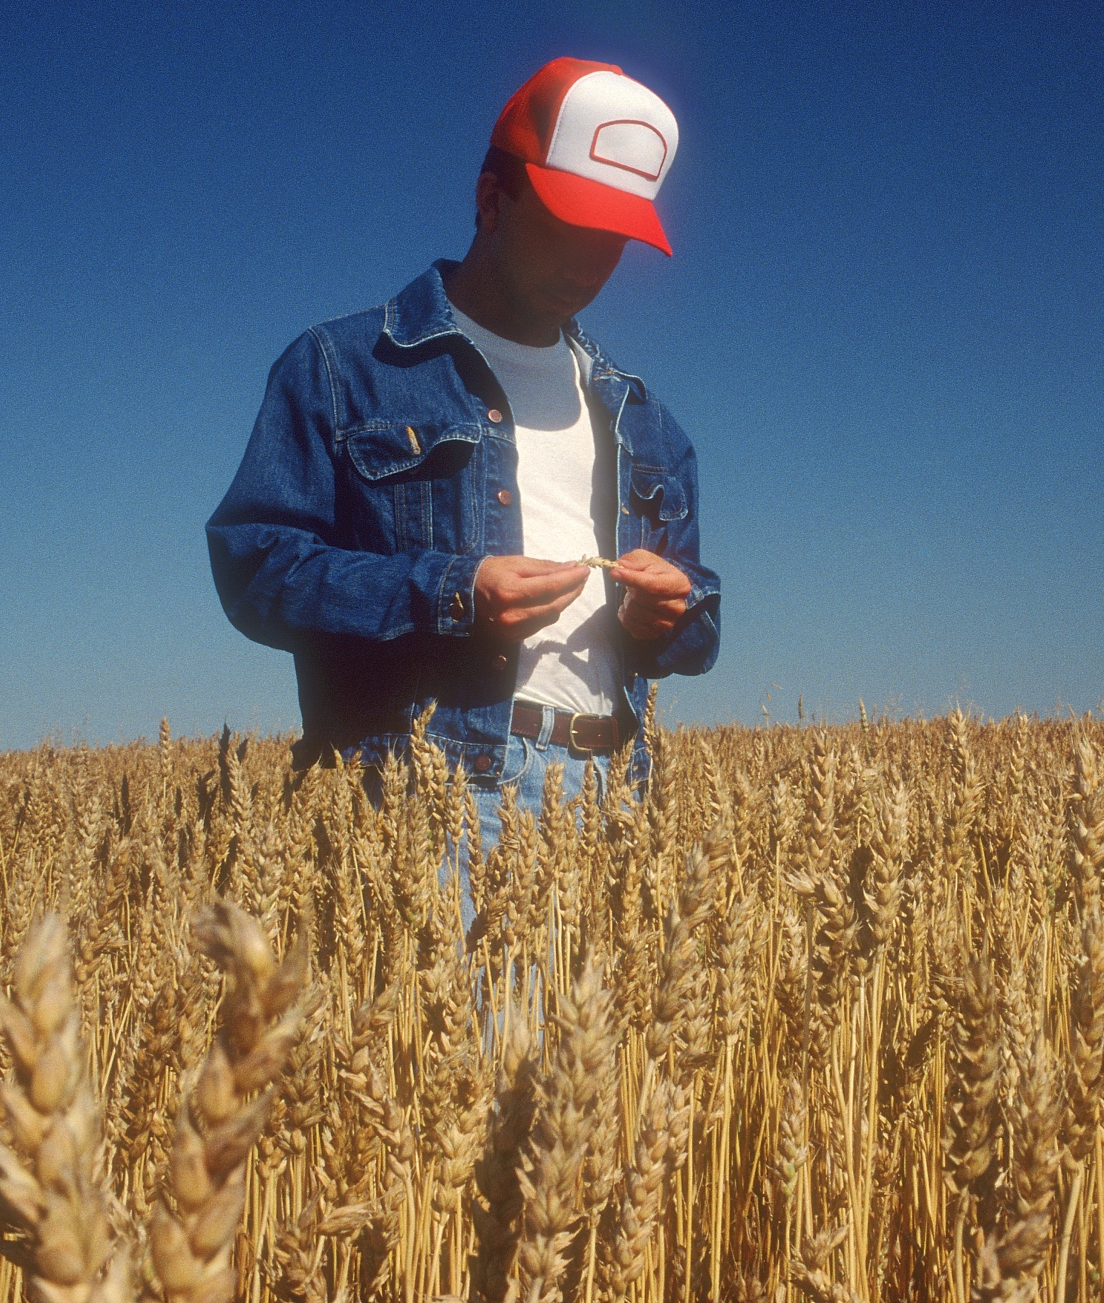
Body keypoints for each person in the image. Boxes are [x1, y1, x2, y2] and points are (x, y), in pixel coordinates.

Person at [206, 57, 720, 935]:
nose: (590, 261)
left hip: (616, 797)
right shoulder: (344, 369)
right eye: (568, 223)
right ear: (492, 198)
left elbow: (701, 623)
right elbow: (255, 565)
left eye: (615, 237)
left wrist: (670, 616)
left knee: (602, 1073)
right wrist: (453, 590)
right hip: (431, 798)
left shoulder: (646, 419)